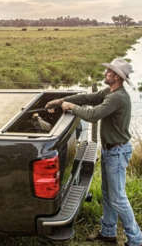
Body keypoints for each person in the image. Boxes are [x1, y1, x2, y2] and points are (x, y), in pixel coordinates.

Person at [45, 58, 142, 246]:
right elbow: (88, 99)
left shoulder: (117, 98)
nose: (106, 74)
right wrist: (62, 100)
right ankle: (108, 232)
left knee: (118, 198)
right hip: (110, 151)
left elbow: (93, 115)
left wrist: (71, 107)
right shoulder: (109, 92)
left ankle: (136, 240)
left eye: (109, 72)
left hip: (117, 152)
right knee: (108, 194)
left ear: (117, 77)